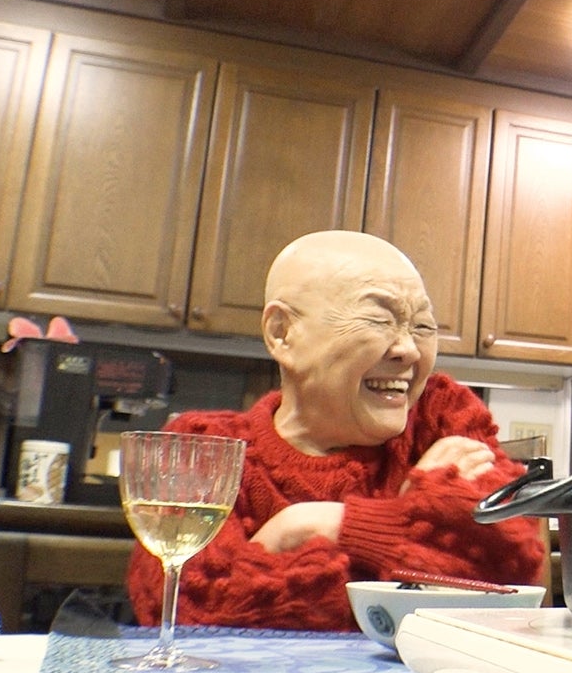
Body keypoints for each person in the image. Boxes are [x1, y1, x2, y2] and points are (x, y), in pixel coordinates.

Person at [125, 231, 545, 631]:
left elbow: (513, 568)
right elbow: (189, 610)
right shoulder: (203, 446)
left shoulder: (440, 415)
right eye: (379, 320)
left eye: (421, 326)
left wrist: (320, 526)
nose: (409, 349)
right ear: (283, 333)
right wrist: (413, 535)